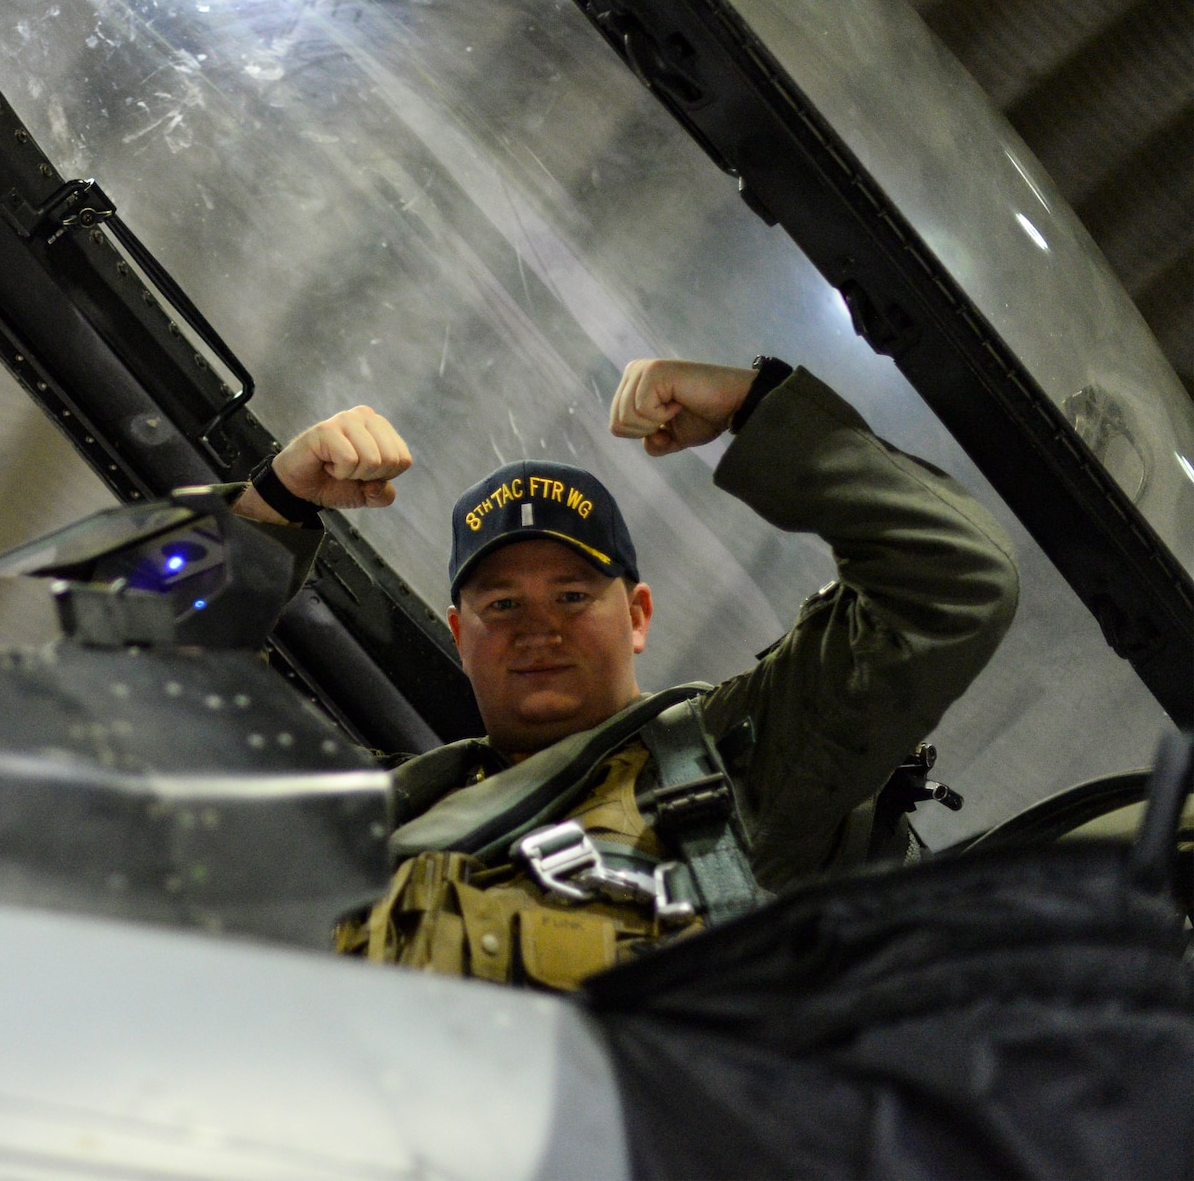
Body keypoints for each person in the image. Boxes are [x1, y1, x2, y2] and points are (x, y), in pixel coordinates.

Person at [231, 358, 1020, 990]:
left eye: (573, 595)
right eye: (501, 603)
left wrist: (757, 410)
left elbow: (954, 580)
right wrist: (276, 501)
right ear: (458, 635)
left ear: (638, 615)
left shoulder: (737, 762)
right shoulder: (388, 809)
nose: (539, 627)